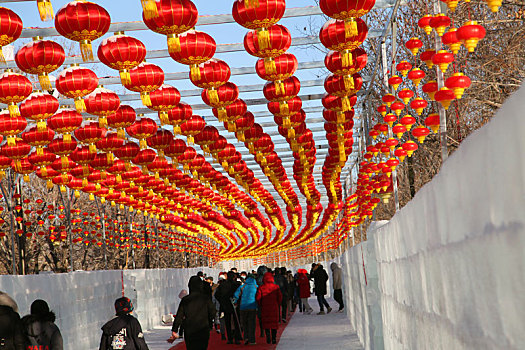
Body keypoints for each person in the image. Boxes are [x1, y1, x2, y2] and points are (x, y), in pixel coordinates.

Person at [168, 276, 216, 350]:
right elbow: (213, 312)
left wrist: (175, 330)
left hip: (190, 330)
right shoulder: (205, 299)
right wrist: (209, 322)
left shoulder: (185, 300)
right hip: (203, 328)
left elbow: (179, 316)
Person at [214, 271, 242, 344]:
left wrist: (222, 301)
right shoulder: (237, 285)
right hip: (235, 306)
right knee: (236, 322)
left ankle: (230, 338)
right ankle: (237, 338)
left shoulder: (222, 285)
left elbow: (216, 295)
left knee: (227, 322)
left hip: (225, 306)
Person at [256, 272, 282, 345]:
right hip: (274, 307)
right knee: (274, 323)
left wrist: (261, 304)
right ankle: (274, 338)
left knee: (266, 323)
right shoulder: (276, 287)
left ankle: (268, 337)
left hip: (265, 308)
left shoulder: (261, 287)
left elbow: (258, 298)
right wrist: (277, 304)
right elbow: (280, 297)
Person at [233, 274, 258, 345]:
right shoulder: (256, 286)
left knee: (244, 323)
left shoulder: (243, 286)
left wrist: (234, 301)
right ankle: (252, 339)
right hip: (252, 306)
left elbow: (236, 295)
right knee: (252, 324)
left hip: (243, 307)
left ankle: (246, 337)